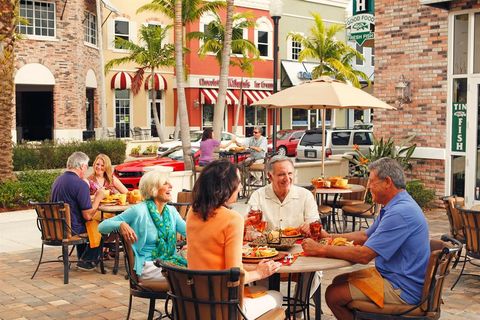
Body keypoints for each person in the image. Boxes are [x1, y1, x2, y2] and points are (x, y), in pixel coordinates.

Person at [301, 157, 430, 320]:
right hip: (396, 277)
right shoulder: (396, 205)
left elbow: (364, 255)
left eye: (371, 181)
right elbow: (365, 236)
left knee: (333, 295)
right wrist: (330, 236)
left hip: (403, 288)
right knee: (340, 280)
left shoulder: (400, 212)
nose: (368, 186)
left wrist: (321, 248)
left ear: (387, 182)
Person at [186, 160, 283, 319]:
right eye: (237, 182)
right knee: (276, 296)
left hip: (195, 303)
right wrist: (259, 273)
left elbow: (215, 261)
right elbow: (235, 276)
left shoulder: (193, 212)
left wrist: (254, 268)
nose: (240, 187)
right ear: (224, 186)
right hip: (225, 309)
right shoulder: (232, 219)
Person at [98, 170, 186, 280]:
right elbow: (102, 226)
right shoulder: (139, 210)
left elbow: (190, 232)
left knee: (197, 269)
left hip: (169, 262)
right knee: (189, 277)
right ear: (152, 188)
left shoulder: (171, 211)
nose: (171, 186)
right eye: (165, 183)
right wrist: (120, 224)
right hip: (148, 266)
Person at [50, 151, 106, 271]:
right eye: (86, 167)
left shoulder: (57, 181)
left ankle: (83, 257)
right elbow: (87, 215)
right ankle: (87, 261)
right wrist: (98, 198)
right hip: (71, 229)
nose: (86, 170)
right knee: (102, 226)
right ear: (82, 166)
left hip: (56, 228)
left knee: (87, 224)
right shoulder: (80, 184)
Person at [248, 155, 318, 233]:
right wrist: (250, 229)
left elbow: (313, 223)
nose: (287, 179)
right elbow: (249, 223)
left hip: (299, 243)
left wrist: (309, 225)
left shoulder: (306, 195)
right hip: (266, 244)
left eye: (290, 173)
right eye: (281, 174)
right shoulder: (258, 196)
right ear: (270, 176)